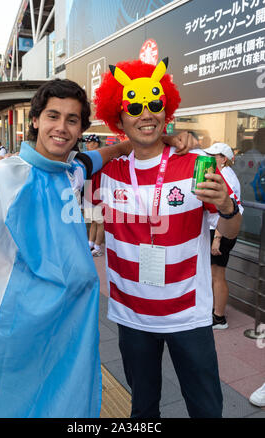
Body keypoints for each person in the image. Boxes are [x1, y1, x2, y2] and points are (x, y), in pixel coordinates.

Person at [0, 78, 139, 418]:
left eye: (72, 120)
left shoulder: (69, 171)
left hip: (68, 328)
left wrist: (127, 146)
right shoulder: (1, 178)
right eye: (52, 116)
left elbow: (95, 158)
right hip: (16, 334)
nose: (61, 127)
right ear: (35, 120)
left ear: (80, 128)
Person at [91, 57, 242, 418]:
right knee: (143, 409)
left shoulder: (197, 163)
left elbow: (231, 229)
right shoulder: (107, 172)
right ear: (119, 115)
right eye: (135, 107)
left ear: (167, 109)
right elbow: (71, 162)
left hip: (189, 315)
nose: (147, 114)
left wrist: (226, 208)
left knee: (206, 409)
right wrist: (120, 147)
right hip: (132, 316)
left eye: (155, 105)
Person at [203, 143, 241, 329]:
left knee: (217, 274)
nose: (208, 158)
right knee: (213, 273)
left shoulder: (225, 176)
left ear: (223, 158)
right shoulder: (224, 174)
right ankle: (214, 311)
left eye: (213, 155)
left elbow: (230, 209)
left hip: (221, 231)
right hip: (217, 230)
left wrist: (217, 238)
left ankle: (219, 318)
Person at [84, 134, 105, 256]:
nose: (87, 145)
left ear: (96, 143)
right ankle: (90, 244)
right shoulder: (87, 156)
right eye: (87, 142)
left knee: (100, 221)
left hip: (99, 190)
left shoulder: (102, 156)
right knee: (92, 220)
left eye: (90, 142)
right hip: (89, 188)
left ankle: (97, 247)